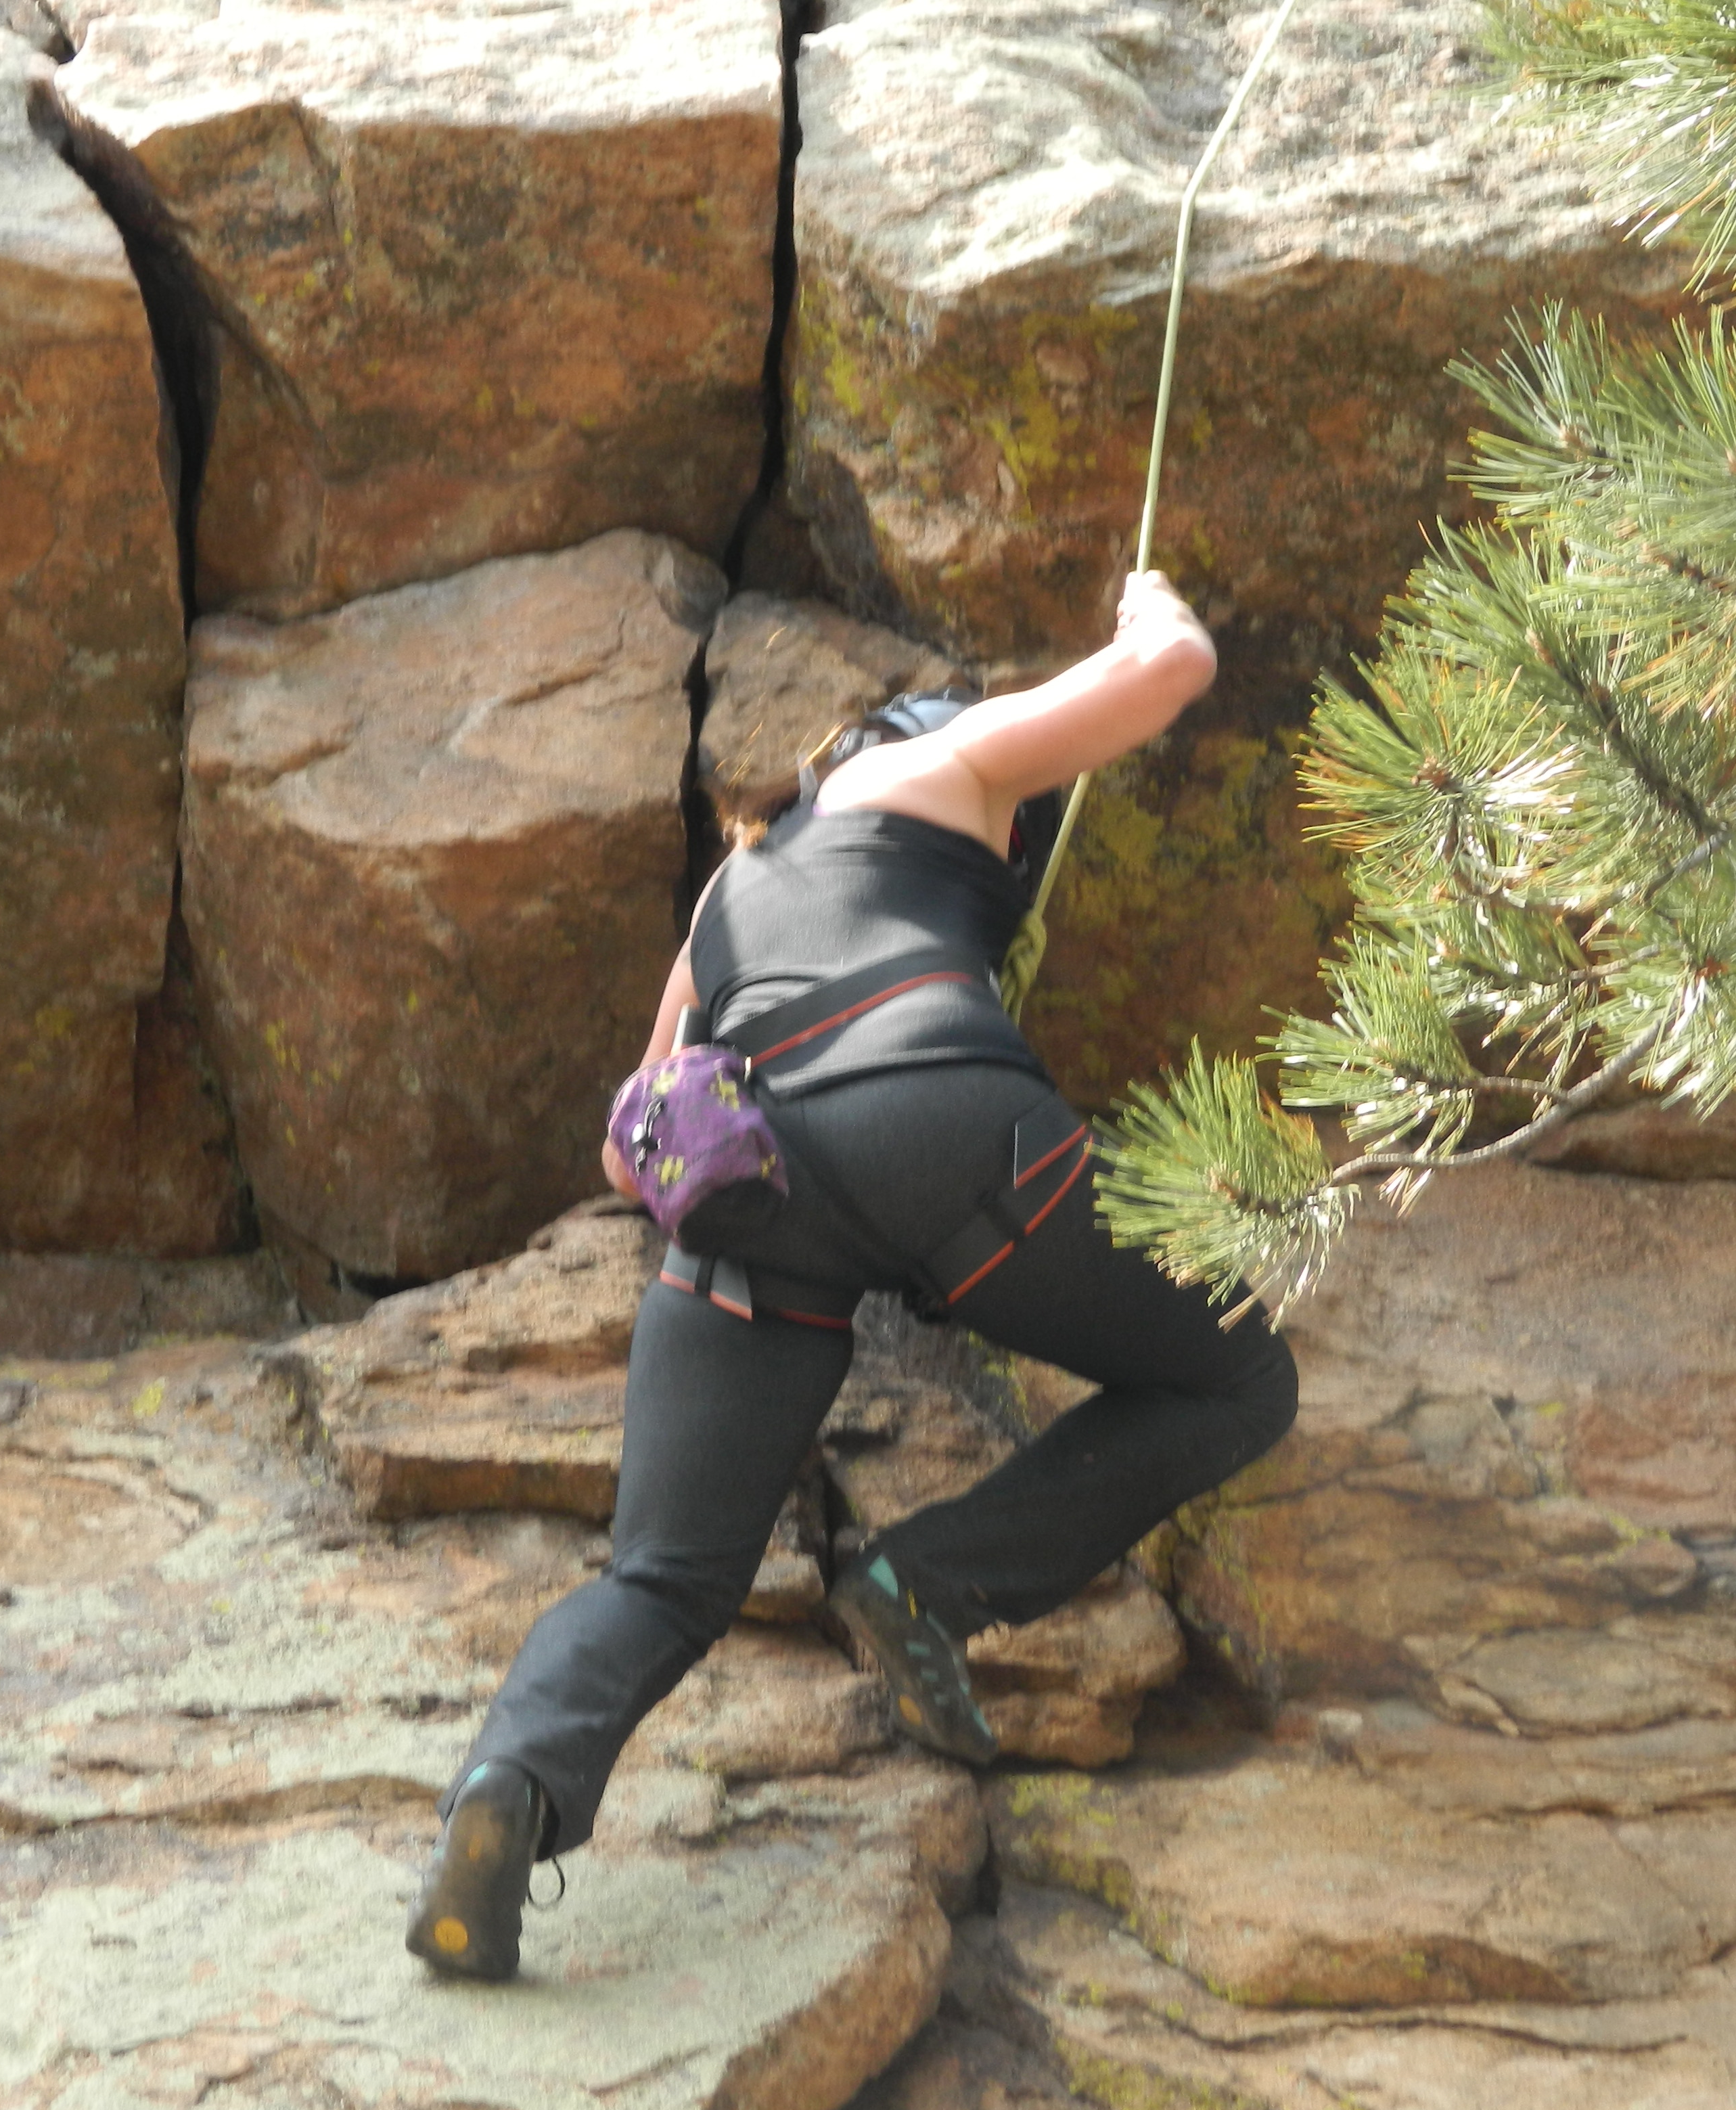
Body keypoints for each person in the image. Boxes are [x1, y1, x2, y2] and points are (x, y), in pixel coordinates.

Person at [406, 571, 1300, 1981]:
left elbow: (624, 1148)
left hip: (751, 1210)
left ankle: (503, 1790)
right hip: (944, 1132)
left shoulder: (724, 902)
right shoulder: (936, 761)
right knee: (1241, 1370)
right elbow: (1172, 671)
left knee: (664, 1575)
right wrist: (1150, 606)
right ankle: (932, 1581)